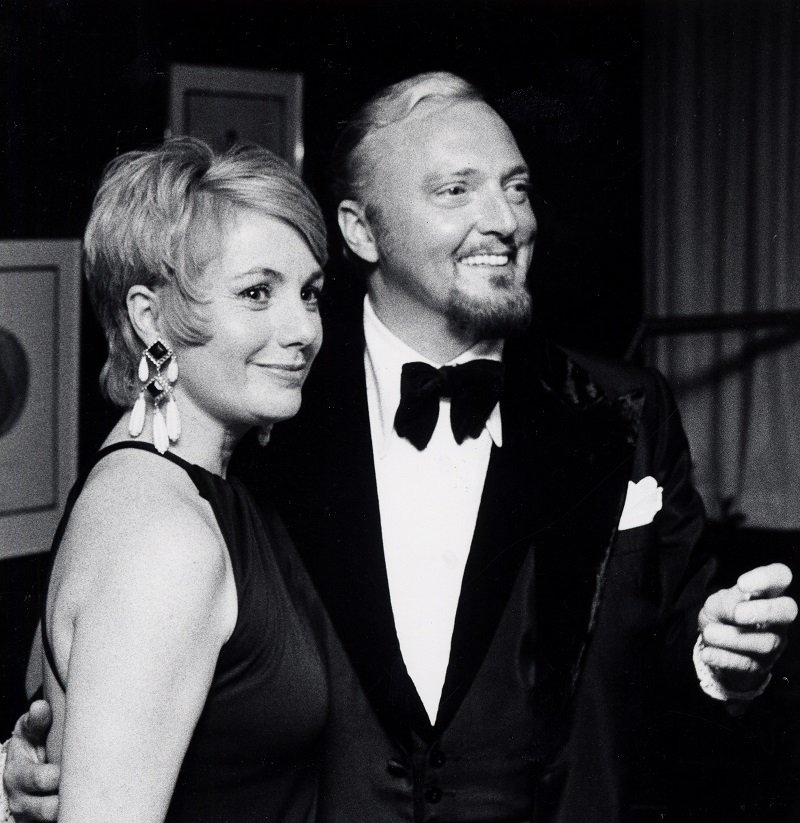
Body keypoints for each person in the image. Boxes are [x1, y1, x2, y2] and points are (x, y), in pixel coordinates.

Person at [4, 72, 797, 822]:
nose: (505, 220)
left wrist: (715, 664)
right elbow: (105, 630)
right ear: (361, 230)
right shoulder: (264, 408)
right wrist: (27, 772)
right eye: (457, 190)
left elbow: (669, 650)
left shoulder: (623, 409)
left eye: (515, 188)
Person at [3, 137, 331, 823]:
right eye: (257, 292)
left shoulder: (151, 477)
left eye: (310, 292)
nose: (302, 327)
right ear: (151, 317)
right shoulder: (165, 535)